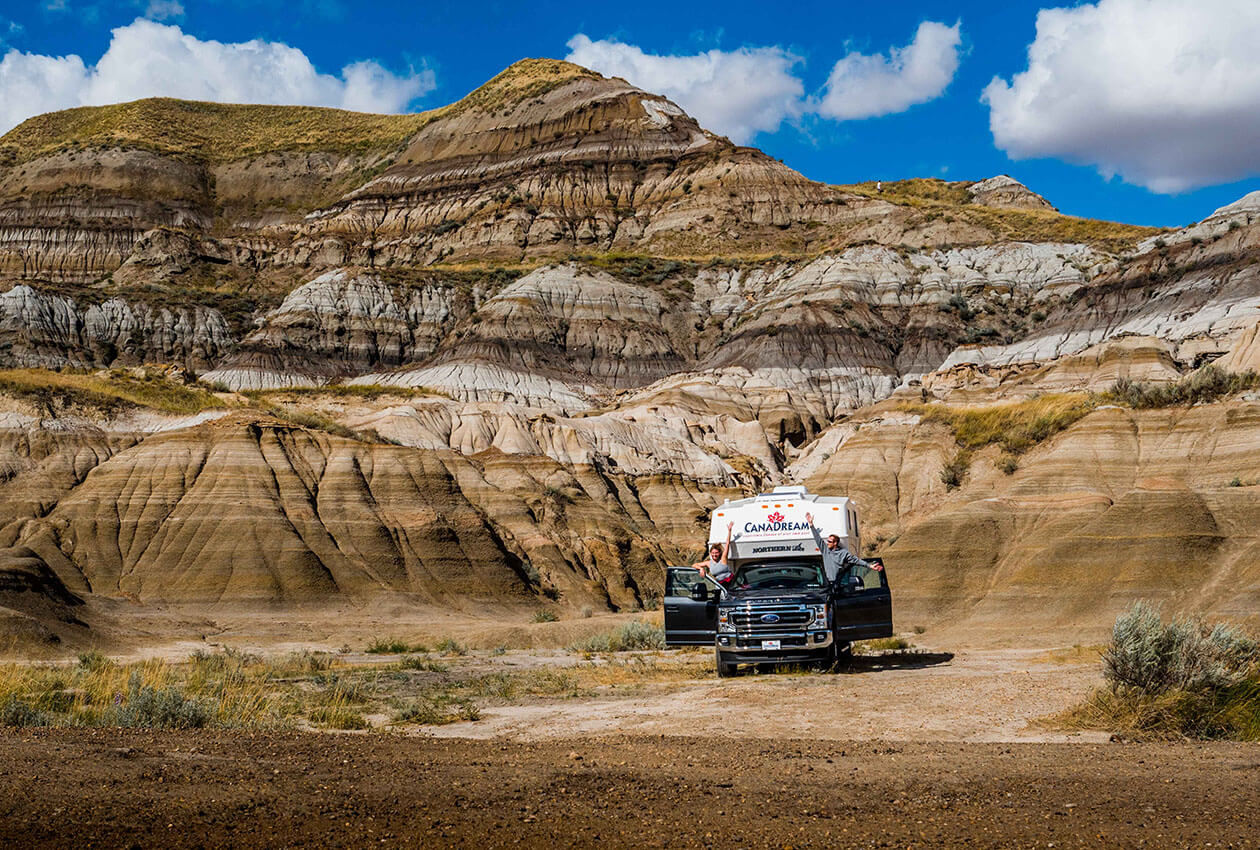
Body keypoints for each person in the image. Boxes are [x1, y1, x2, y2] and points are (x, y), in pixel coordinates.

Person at [804, 512, 882, 585]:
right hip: (827, 584)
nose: (827, 543)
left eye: (829, 541)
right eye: (827, 541)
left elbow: (856, 560)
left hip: (838, 584)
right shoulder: (825, 550)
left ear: (835, 543)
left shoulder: (843, 553)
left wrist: (869, 566)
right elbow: (818, 539)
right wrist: (811, 524)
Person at [693, 521, 735, 586]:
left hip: (730, 582)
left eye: (716, 553)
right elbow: (694, 565)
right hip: (720, 584)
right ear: (710, 553)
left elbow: (727, 544)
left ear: (719, 553)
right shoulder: (709, 563)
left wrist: (729, 531)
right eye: (712, 553)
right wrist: (701, 569)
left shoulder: (723, 559)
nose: (714, 555)